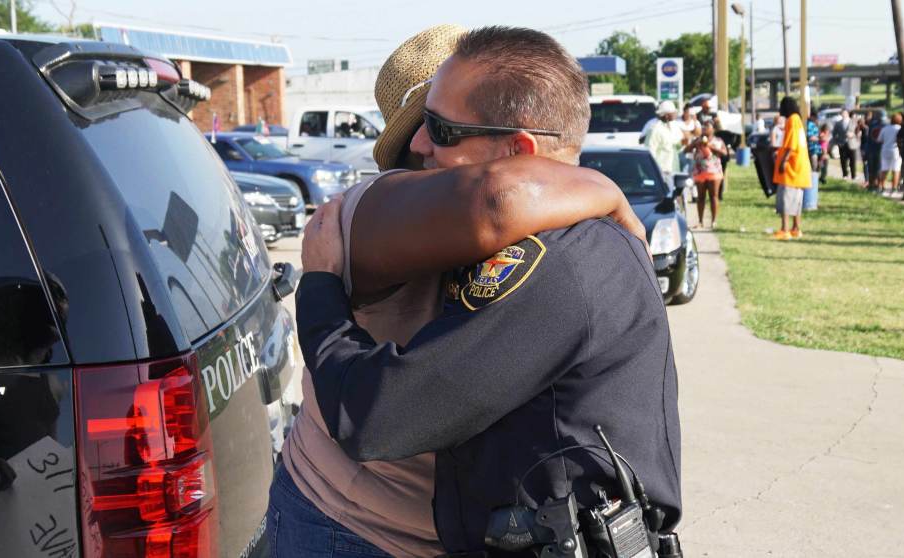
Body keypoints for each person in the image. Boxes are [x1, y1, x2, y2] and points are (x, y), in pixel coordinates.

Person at [297, 26, 681, 556]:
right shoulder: (387, 206)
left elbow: (376, 415)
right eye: (416, 125)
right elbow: (495, 196)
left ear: (518, 150)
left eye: (439, 127)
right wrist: (601, 186)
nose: (418, 145)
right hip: (352, 520)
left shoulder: (567, 257)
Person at [772, 97, 811, 240]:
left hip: (791, 167)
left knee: (786, 199)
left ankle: (785, 230)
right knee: (797, 200)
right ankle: (796, 228)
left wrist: (784, 160)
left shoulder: (792, 120)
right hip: (800, 167)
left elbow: (792, 143)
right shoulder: (798, 120)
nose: (780, 110)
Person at [685, 120, 728, 229]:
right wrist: (694, 144)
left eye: (707, 127)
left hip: (714, 172)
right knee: (701, 197)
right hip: (700, 172)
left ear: (712, 129)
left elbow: (724, 153)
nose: (704, 129)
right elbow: (686, 150)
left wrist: (710, 146)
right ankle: (700, 221)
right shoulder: (698, 140)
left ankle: (713, 221)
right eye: (703, 127)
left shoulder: (718, 140)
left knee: (714, 196)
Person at [647, 100, 685, 184]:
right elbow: (650, 151)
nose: (676, 114)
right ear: (667, 115)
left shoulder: (674, 126)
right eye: (673, 112)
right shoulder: (655, 129)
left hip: (674, 168)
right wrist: (656, 170)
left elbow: (677, 145)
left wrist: (682, 142)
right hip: (663, 171)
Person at [878, 113, 903, 196]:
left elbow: (879, 139)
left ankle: (881, 187)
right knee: (896, 170)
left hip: (885, 150)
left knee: (884, 169)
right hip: (896, 150)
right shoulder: (900, 129)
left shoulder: (885, 128)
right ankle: (894, 188)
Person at [832, 109, 858, 180]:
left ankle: (854, 175)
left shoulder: (853, 122)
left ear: (848, 114)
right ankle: (845, 174)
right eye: (842, 113)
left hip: (852, 143)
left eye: (845, 113)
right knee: (843, 160)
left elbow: (858, 131)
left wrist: (853, 135)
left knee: (853, 160)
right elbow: (834, 133)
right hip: (842, 143)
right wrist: (837, 142)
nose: (844, 114)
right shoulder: (838, 123)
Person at [678, 103, 701, 173]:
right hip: (680, 150)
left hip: (691, 151)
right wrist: (691, 133)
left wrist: (694, 122)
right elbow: (682, 135)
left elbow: (698, 134)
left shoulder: (695, 122)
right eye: (687, 112)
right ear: (684, 111)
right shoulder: (677, 121)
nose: (689, 115)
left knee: (690, 170)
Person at [865, 111, 884, 190]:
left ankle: (871, 184)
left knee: (871, 168)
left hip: (871, 148)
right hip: (880, 149)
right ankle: (878, 185)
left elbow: (868, 138)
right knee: (879, 168)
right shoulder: (884, 126)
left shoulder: (872, 125)